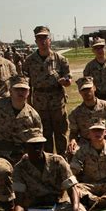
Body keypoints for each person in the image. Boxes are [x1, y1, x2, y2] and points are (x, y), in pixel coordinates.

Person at [0, 75, 42, 208]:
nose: (21, 93)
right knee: (2, 170)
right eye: (17, 89)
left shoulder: (33, 116)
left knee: (35, 190)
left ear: (28, 92)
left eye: (24, 90)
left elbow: (37, 142)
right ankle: (9, 203)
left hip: (21, 157)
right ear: (10, 90)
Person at [11, 130, 89, 211]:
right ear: (25, 147)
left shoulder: (57, 161)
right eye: (32, 145)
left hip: (59, 205)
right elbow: (19, 200)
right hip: (35, 209)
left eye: (39, 144)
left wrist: (75, 210)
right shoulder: (19, 169)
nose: (37, 148)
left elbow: (72, 188)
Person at [23, 26, 72, 156]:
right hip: (39, 103)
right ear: (35, 41)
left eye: (45, 38)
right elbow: (25, 84)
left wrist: (65, 81)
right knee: (44, 135)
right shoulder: (29, 61)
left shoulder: (60, 59)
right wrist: (28, 104)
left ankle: (63, 161)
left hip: (57, 102)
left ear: (50, 40)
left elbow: (68, 78)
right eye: (39, 38)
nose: (42, 41)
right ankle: (48, 161)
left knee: (61, 134)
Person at [67, 76, 106, 156]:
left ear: (94, 88)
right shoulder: (75, 113)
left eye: (89, 88)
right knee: (72, 152)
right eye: (83, 90)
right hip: (85, 144)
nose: (86, 92)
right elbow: (73, 132)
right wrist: (72, 140)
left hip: (105, 142)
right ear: (80, 92)